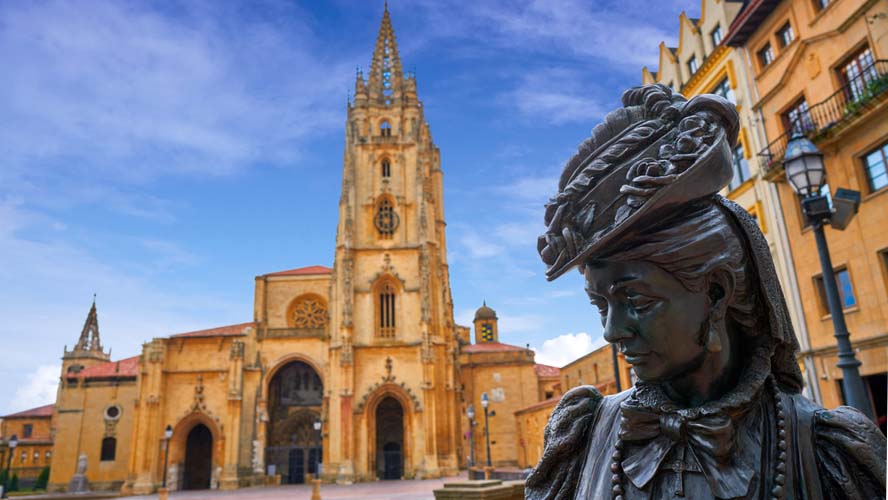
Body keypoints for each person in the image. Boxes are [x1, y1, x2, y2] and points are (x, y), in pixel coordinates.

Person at [528, 84, 886, 499]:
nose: (612, 332)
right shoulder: (583, 437)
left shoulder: (826, 450)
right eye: (600, 305)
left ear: (716, 292)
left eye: (636, 301)